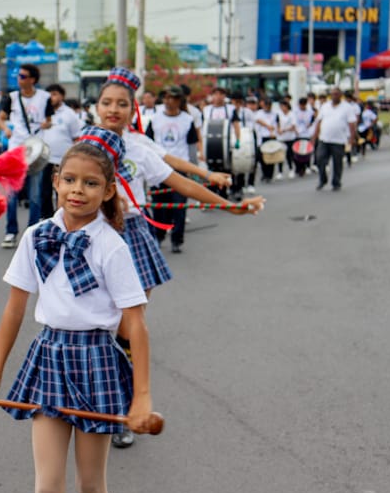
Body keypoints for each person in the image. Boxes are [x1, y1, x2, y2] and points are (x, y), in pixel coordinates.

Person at [0, 131, 158, 493]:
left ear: (107, 191)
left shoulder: (112, 245)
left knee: (91, 489)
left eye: (90, 183)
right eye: (69, 180)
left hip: (97, 360)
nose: (77, 190)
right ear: (55, 181)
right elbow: (14, 308)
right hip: (49, 355)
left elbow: (136, 323)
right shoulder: (36, 236)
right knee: (48, 491)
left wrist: (142, 397)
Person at [92, 69, 264, 447]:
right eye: (107, 102)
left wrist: (228, 206)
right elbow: (64, 190)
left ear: (134, 108)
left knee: (128, 328)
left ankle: (122, 410)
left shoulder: (137, 147)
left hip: (132, 236)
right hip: (92, 239)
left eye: (123, 103)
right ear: (96, 107)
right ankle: (97, 401)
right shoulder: (83, 147)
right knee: (99, 326)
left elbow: (178, 181)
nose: (114, 109)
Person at [0, 63, 54, 248]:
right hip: (16, 149)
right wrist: (5, 129)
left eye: (23, 76)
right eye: (18, 75)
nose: (19, 79)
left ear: (32, 79)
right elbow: (1, 117)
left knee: (35, 193)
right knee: (12, 193)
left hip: (36, 149)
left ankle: (32, 232)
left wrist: (46, 124)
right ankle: (10, 231)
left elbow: (49, 119)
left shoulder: (44, 97)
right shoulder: (11, 97)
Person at [146, 85, 199, 253]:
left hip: (179, 168)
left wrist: (194, 168)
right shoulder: (154, 119)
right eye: (166, 97)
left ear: (179, 100)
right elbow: (147, 145)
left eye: (173, 98)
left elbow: (192, 145)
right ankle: (159, 236)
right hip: (158, 168)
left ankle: (177, 239)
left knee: (179, 206)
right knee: (159, 206)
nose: (169, 101)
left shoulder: (187, 119)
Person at [41, 83, 83, 219]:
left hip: (63, 161)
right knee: (44, 192)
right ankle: (48, 219)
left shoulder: (69, 114)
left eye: (54, 94)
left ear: (62, 96)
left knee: (63, 191)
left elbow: (77, 138)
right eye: (49, 95)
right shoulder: (42, 112)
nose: (51, 98)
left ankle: (65, 218)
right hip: (45, 159)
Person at [311, 87, 356, 192]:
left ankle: (336, 182)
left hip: (339, 140)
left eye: (336, 94)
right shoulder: (325, 106)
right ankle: (323, 179)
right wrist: (314, 137)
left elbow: (351, 124)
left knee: (337, 162)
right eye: (332, 94)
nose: (334, 96)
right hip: (324, 139)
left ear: (340, 95)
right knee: (320, 158)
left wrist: (351, 139)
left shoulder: (347, 107)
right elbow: (319, 121)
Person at [254, 98, 278, 183]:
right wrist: (267, 126)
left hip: (271, 136)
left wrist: (275, 131)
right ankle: (264, 174)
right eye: (266, 105)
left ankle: (269, 175)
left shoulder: (274, 113)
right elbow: (258, 120)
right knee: (262, 157)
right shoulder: (260, 113)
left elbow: (277, 124)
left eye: (269, 105)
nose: (268, 107)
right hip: (263, 137)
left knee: (272, 156)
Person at [275, 99, 297, 179]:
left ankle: (291, 169)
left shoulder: (291, 114)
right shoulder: (279, 114)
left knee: (289, 155)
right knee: (280, 155)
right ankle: (280, 171)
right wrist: (278, 130)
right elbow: (277, 123)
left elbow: (293, 126)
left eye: (283, 106)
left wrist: (284, 130)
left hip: (290, 137)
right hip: (281, 137)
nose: (282, 108)